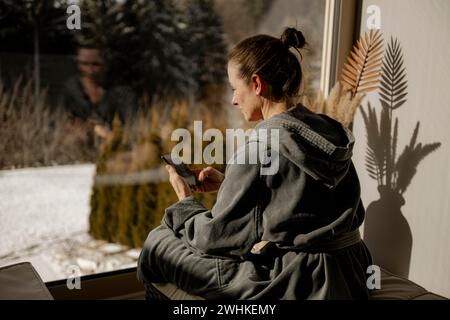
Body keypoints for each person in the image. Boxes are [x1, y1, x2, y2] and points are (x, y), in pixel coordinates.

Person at [137, 28, 373, 300]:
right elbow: (303, 202)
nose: (234, 99)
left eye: (235, 89)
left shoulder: (261, 146)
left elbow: (213, 239)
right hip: (353, 269)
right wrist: (230, 184)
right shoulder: (327, 130)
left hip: (301, 282)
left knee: (158, 243)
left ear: (257, 84)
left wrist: (184, 202)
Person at [60, 45, 138, 136]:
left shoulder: (122, 93)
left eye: (95, 64)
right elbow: (63, 121)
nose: (90, 71)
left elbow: (130, 125)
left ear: (106, 64)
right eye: (84, 64)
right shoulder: (72, 89)